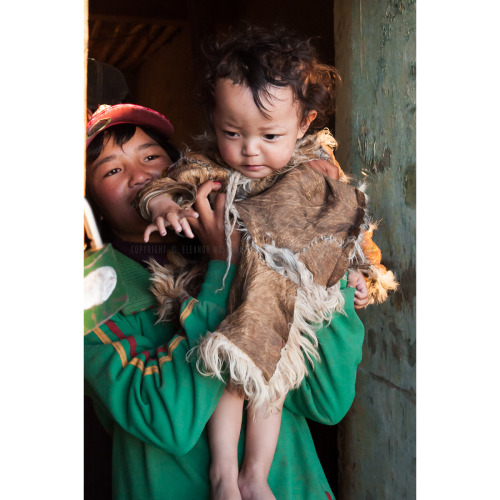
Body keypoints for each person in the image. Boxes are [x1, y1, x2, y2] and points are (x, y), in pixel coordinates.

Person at [133, 26, 396, 500]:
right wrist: (163, 208)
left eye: (269, 134)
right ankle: (223, 475)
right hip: (219, 300)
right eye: (232, 133)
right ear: (213, 119)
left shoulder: (317, 174)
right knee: (227, 376)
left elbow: (352, 238)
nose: (250, 149)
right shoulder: (207, 167)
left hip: (280, 314)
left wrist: (361, 278)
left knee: (269, 381)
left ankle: (254, 475)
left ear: (305, 123)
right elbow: (163, 188)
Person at [84, 102, 367, 500]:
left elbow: (327, 401)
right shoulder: (93, 295)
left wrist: (324, 268)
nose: (140, 175)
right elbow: (168, 422)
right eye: (112, 170)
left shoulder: (254, 240)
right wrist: (222, 273)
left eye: (151, 157)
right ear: (89, 200)